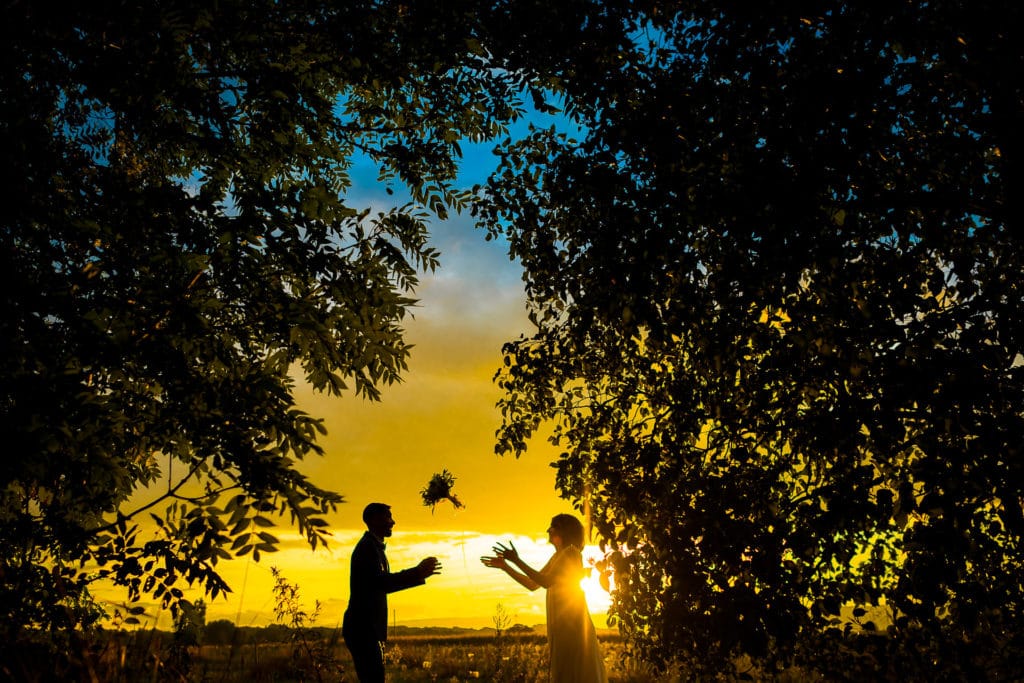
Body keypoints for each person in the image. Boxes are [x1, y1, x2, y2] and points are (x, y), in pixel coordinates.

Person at [481, 513, 607, 683]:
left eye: (553, 526)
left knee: (576, 674)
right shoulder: (557, 557)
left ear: (564, 530)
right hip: (561, 629)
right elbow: (532, 584)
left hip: (573, 628)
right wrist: (506, 566)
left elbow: (546, 581)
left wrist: (517, 560)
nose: (548, 530)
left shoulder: (571, 553)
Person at [342, 502, 441, 682]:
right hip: (363, 629)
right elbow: (381, 583)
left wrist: (418, 574)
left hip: (367, 630)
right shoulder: (367, 548)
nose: (392, 522)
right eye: (387, 517)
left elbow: (382, 584)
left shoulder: (374, 547)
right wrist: (417, 573)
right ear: (372, 520)